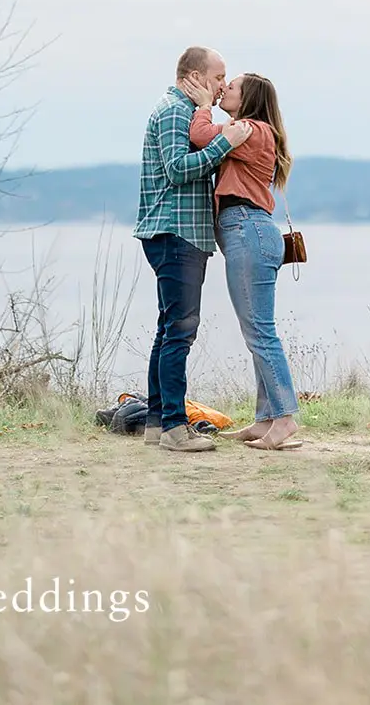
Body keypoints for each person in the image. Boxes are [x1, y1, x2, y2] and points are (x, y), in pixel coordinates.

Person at [134, 46, 253, 453]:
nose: (223, 86)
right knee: (180, 332)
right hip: (174, 233)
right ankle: (174, 428)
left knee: (169, 328)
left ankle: (156, 422)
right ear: (196, 76)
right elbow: (178, 169)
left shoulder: (190, 113)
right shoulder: (173, 111)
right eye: (219, 77)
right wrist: (226, 145)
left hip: (183, 234)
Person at [181, 71, 302, 451]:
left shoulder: (251, 129)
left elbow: (200, 137)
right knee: (258, 332)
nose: (223, 90)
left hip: (248, 230)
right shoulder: (254, 131)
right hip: (249, 232)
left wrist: (202, 107)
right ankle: (266, 418)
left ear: (248, 98)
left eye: (230, 87)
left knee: (260, 333)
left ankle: (284, 418)